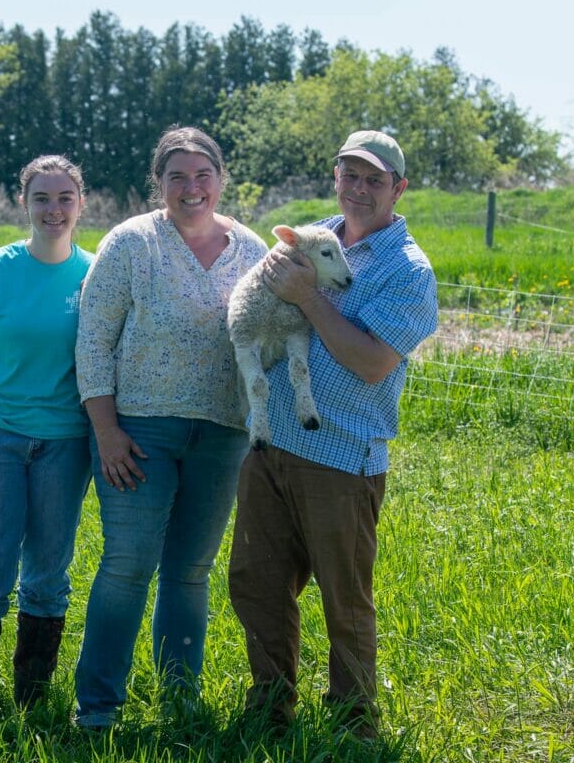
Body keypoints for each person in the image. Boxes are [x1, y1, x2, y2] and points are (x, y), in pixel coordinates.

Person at [227, 130, 439, 737]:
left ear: (399, 189)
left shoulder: (407, 271)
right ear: (336, 177)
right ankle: (270, 708)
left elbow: (373, 362)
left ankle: (353, 722)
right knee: (256, 581)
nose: (360, 189)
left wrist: (308, 299)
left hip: (342, 455)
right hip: (272, 444)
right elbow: (262, 301)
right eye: (351, 175)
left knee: (343, 598)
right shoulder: (313, 238)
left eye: (376, 179)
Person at [72, 126, 268, 730]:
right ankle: (98, 706)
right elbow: (94, 339)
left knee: (189, 570)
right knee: (128, 562)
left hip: (224, 435)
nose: (191, 187)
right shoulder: (132, 243)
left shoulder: (252, 249)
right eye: (177, 176)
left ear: (220, 179)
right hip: (140, 432)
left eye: (202, 174)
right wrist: (105, 431)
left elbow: (269, 337)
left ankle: (179, 700)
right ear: (157, 184)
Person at [0, 156, 94, 734]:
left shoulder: (97, 272)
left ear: (81, 203)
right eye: (41, 198)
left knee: (48, 576)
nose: (53, 209)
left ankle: (34, 702)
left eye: (64, 198)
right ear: (23, 203)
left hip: (66, 443)